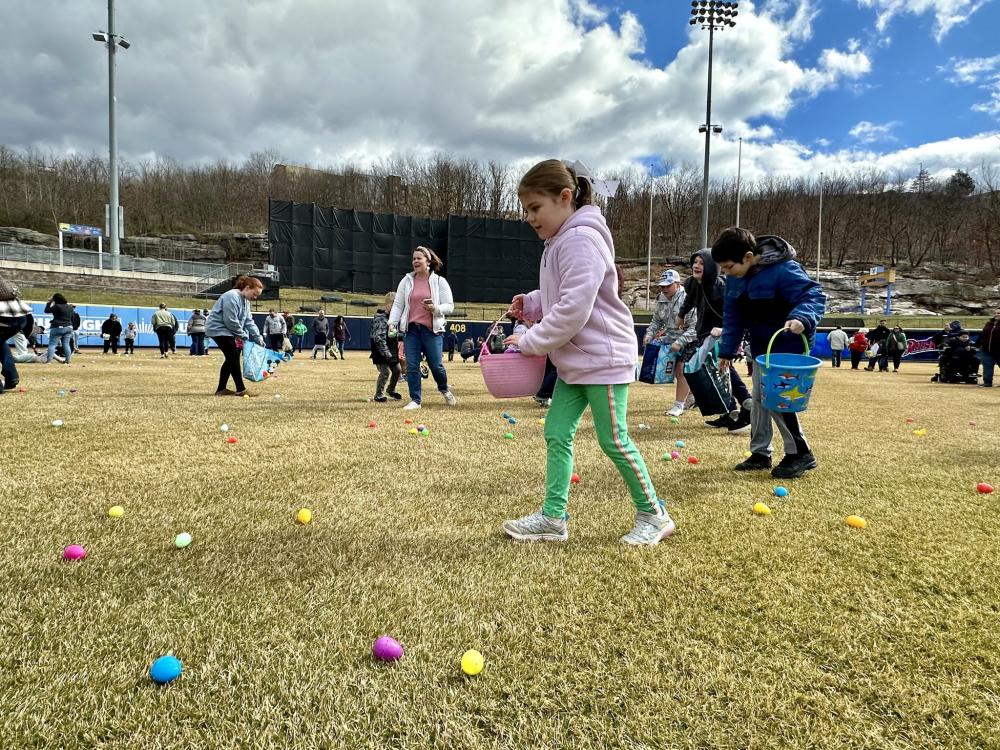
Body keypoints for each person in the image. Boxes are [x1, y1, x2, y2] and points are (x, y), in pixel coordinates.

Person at [501, 159, 675, 546]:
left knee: (614, 440)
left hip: (603, 360)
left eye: (535, 208)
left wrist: (530, 341)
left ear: (565, 198)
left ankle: (654, 514)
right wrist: (531, 303)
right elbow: (562, 296)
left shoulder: (580, 239)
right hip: (575, 362)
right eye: (526, 210)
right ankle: (553, 517)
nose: (529, 218)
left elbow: (575, 308)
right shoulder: (560, 240)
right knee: (557, 432)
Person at [712, 227, 826, 479]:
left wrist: (802, 317)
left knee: (777, 397)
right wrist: (727, 352)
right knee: (760, 398)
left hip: (789, 346)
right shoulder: (734, 278)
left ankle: (800, 452)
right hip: (762, 348)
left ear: (749, 256)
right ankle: (760, 453)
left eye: (729, 266)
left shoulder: (784, 269)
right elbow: (733, 317)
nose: (725, 272)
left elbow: (814, 295)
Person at [679, 249, 752, 433]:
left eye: (702, 262)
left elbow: (735, 311)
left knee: (723, 367)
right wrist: (681, 315)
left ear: (711, 266)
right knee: (717, 369)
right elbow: (689, 299)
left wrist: (724, 328)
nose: (696, 265)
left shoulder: (721, 287)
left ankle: (746, 402)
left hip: (723, 333)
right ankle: (731, 410)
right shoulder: (693, 284)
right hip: (705, 332)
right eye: (695, 261)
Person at [388, 246, 457, 410]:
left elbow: (450, 306)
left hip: (432, 331)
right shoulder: (406, 281)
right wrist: (392, 322)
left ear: (428, 261)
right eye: (413, 259)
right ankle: (415, 400)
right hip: (411, 330)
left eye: (419, 258)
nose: (415, 261)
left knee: (436, 366)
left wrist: (435, 309)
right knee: (412, 366)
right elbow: (398, 305)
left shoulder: (439, 281)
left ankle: (444, 389)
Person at [643, 269, 697, 418]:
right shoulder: (661, 298)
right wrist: (649, 334)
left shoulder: (688, 298)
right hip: (670, 339)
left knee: (681, 370)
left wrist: (680, 342)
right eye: (662, 286)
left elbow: (695, 327)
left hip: (691, 339)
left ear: (677, 284)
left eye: (668, 285)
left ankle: (678, 405)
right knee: (677, 371)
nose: (664, 289)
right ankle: (692, 397)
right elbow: (656, 320)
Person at [205, 275, 264, 396]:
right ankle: (240, 389)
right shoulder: (231, 296)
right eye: (254, 294)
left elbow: (248, 321)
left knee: (232, 357)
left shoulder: (246, 301)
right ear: (247, 288)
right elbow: (230, 320)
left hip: (229, 331)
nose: (255, 297)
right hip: (218, 329)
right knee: (233, 355)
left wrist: (258, 336)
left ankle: (221, 389)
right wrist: (243, 335)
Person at [0, 274, 33, 393]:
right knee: (1, 343)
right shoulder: (5, 285)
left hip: (4, 317)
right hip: (21, 317)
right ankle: (11, 377)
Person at [370, 292, 403, 402]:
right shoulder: (381, 318)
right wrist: (386, 352)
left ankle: (391, 389)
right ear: (387, 305)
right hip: (380, 350)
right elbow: (378, 338)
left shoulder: (394, 319)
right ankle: (378, 395)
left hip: (391, 349)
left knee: (397, 370)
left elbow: (392, 334)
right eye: (394, 304)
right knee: (385, 372)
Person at [44, 293, 75, 365]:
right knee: (66, 344)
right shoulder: (70, 307)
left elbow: (47, 311)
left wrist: (49, 302)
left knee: (52, 344)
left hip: (58, 326)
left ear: (55, 299)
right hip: (69, 327)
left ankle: (49, 361)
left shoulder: (57, 306)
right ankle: (68, 361)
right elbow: (71, 317)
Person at [977, 307, 1000, 388]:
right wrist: (977, 344)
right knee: (987, 367)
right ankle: (987, 382)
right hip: (986, 351)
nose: (996, 315)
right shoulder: (988, 324)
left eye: (999, 313)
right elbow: (982, 335)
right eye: (995, 313)